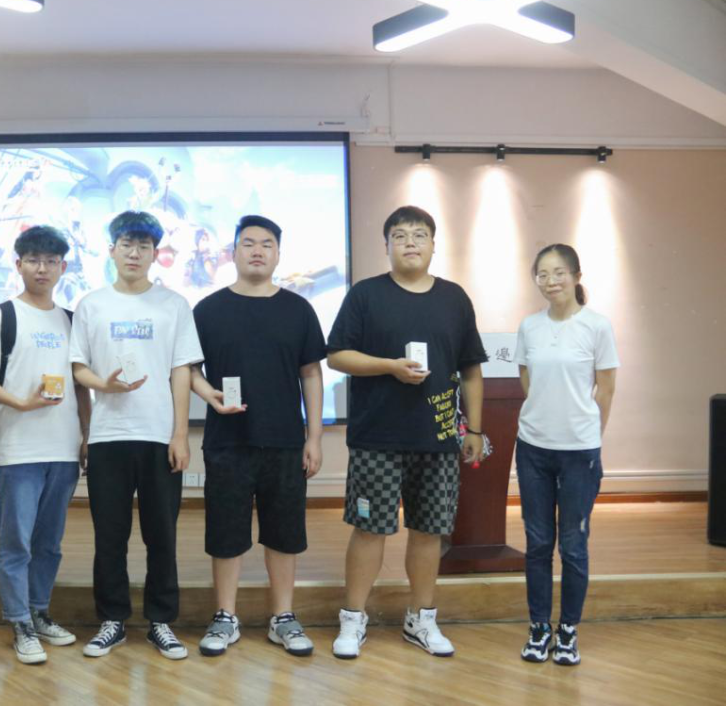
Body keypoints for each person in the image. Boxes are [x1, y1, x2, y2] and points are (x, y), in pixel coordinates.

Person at [327, 205, 487, 659]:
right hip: (376, 438)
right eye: (399, 235)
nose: (410, 242)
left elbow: (471, 370)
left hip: (438, 438)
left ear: (434, 244)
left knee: (429, 532)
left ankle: (421, 619)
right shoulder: (365, 295)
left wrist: (475, 429)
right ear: (387, 246)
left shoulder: (454, 298)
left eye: (419, 235)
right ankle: (353, 618)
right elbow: (337, 355)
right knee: (369, 529)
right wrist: (389, 367)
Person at [190, 215, 327, 657]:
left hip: (285, 441)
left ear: (278, 255)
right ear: (232, 252)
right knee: (225, 532)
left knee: (284, 533)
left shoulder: (298, 309)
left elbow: (311, 374)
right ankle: (225, 616)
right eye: (247, 243)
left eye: (266, 244)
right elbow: (189, 369)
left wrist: (314, 437)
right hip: (227, 441)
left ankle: (282, 617)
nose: (256, 251)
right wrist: (208, 394)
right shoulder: (208, 309)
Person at [69, 211, 203, 660]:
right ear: (111, 249)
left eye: (144, 246)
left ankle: (161, 621)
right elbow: (78, 367)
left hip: (158, 435)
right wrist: (102, 387)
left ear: (155, 254)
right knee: (109, 534)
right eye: (126, 244)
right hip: (108, 436)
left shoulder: (174, 305)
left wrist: (180, 434)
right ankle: (112, 619)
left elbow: (181, 370)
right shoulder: (92, 305)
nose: (134, 253)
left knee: (161, 534)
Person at [0, 226, 91, 665]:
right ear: (18, 264)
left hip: (63, 449)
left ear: (63, 267)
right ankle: (18, 621)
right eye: (33, 259)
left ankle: (39, 612)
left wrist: (86, 436)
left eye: (51, 261)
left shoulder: (71, 320)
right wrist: (19, 402)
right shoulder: (2, 317)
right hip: (18, 449)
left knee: (50, 542)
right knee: (16, 542)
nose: (42, 268)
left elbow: (81, 385)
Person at [515, 244, 618, 666]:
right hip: (533, 448)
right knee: (538, 543)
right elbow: (527, 380)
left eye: (558, 272)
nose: (550, 281)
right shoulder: (529, 326)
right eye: (542, 274)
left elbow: (605, 390)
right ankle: (539, 628)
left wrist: (588, 433)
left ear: (576, 276)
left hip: (579, 453)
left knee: (574, 545)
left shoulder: (597, 326)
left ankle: (568, 630)